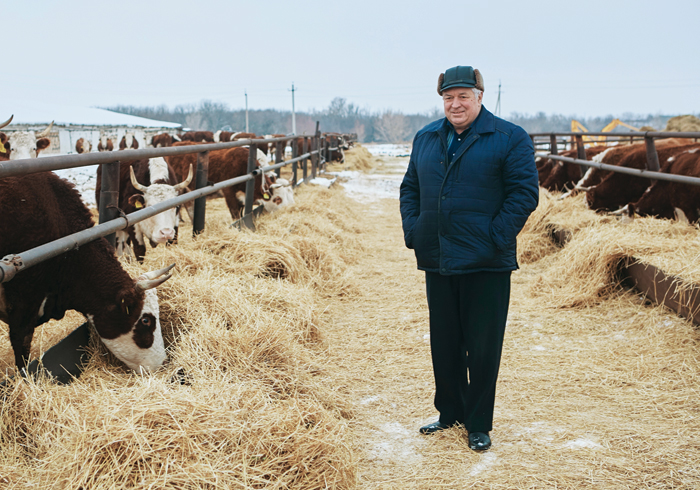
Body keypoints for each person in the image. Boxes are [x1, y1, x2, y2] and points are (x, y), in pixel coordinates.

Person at [399, 65, 539, 451]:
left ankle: (478, 423)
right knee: (444, 342)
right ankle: (450, 413)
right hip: (438, 257)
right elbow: (410, 188)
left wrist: (495, 237)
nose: (455, 104)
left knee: (481, 346)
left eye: (463, 96)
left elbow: (524, 194)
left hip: (486, 261)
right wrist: (415, 230)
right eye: (448, 98)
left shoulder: (509, 137)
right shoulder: (426, 137)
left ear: (480, 96)